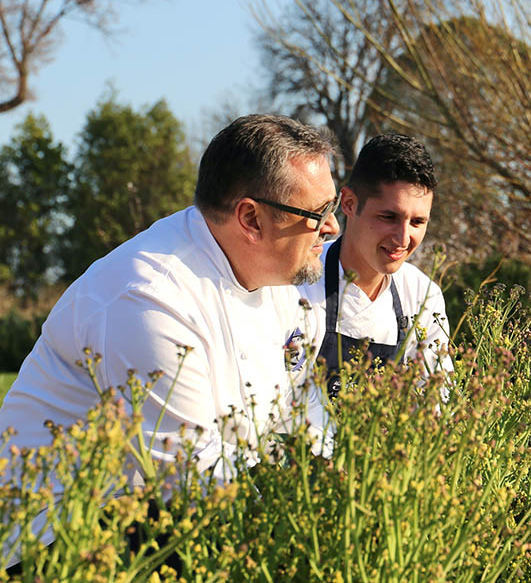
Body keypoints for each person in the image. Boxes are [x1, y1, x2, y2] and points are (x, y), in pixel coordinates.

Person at [0, 114, 339, 567]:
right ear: (251, 219)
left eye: (334, 207)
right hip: (54, 537)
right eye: (318, 214)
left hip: (163, 507)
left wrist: (341, 489)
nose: (332, 228)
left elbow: (304, 414)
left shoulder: (279, 280)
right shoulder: (148, 299)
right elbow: (194, 481)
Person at [299, 134, 452, 397]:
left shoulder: (422, 295)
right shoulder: (299, 281)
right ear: (349, 204)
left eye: (417, 222)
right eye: (388, 217)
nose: (403, 239)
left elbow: (437, 401)